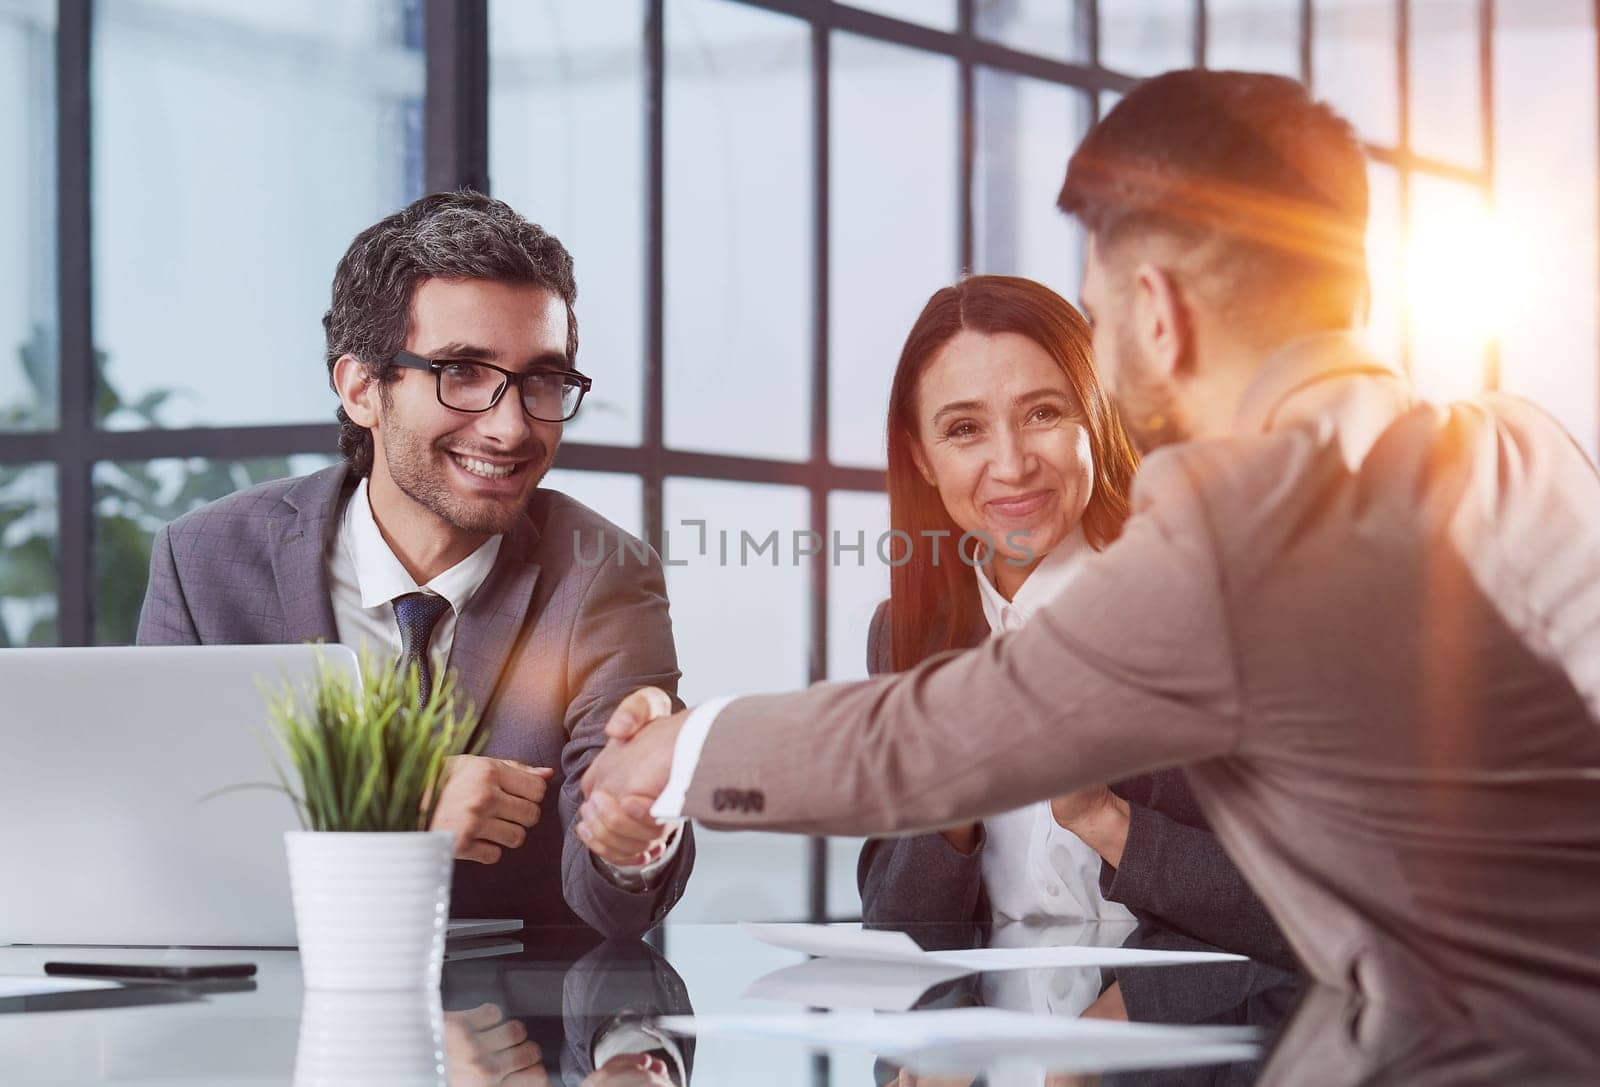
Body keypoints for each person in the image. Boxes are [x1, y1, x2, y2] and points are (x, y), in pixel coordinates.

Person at [580, 69, 1600, 1059]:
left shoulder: (1233, 537)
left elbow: (926, 743)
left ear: (1156, 312)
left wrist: (673, 754)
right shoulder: (1520, 443)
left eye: (1098, 320)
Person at [137, 190, 692, 937]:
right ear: (362, 388)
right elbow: (164, 837)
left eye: (543, 381)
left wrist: (635, 823)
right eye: (463, 372)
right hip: (268, 1020)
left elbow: (616, 901)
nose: (511, 426)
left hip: (521, 1035)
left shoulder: (602, 574)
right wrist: (398, 811)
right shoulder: (206, 560)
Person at [858, 273, 1285, 965]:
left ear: (1097, 414)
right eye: (965, 428)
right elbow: (894, 928)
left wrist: (1105, 820)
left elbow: (1308, 913)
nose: (1011, 464)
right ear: (921, 459)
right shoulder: (906, 636)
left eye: (1043, 413)